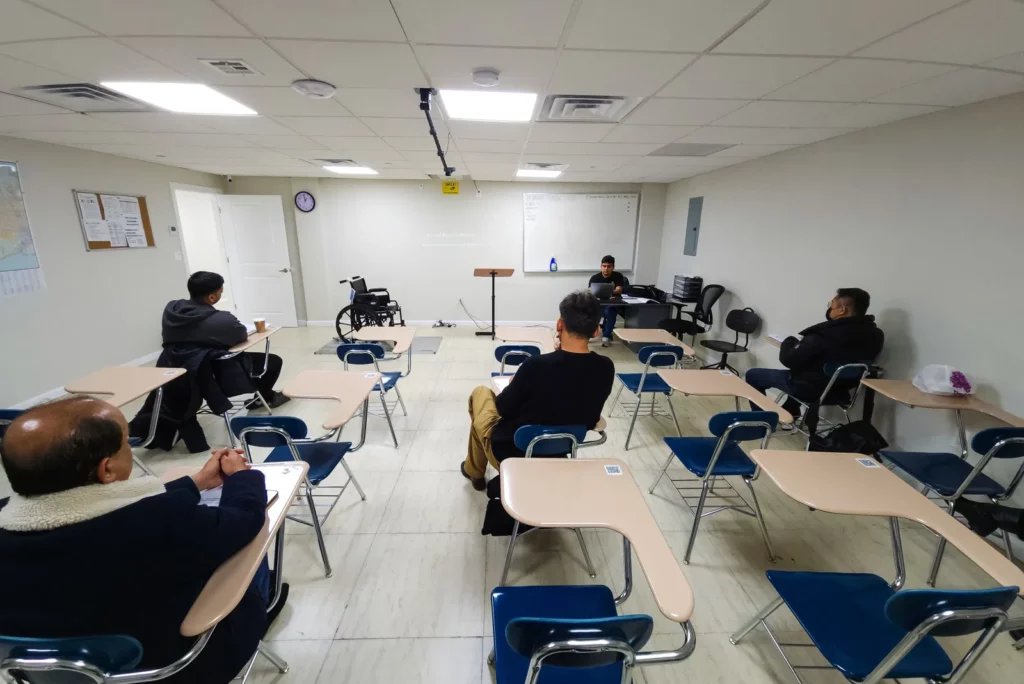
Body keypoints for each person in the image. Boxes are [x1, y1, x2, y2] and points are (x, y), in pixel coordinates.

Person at [0, 397, 283, 683]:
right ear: (107, 469)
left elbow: (96, 505)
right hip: (169, 666)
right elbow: (244, 519)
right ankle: (263, 603)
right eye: (126, 442)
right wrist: (240, 478)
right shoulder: (159, 522)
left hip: (45, 673)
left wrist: (196, 482)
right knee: (248, 546)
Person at [460, 290, 615, 490]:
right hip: (560, 451)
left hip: (512, 453)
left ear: (559, 324)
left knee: (480, 394)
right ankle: (474, 470)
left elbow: (502, 410)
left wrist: (517, 382)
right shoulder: (606, 367)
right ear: (596, 331)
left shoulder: (535, 365)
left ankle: (475, 472)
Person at [745, 288, 884, 429]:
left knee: (754, 375)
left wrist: (788, 343)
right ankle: (790, 413)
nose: (829, 307)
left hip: (811, 390)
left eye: (832, 303)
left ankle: (761, 423)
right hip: (841, 392)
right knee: (808, 372)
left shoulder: (823, 335)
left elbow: (790, 361)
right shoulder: (876, 335)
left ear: (842, 310)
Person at [163, 271, 289, 410]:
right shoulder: (221, 320)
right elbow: (240, 336)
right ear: (212, 297)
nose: (221, 294)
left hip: (178, 368)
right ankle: (264, 397)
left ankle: (266, 396)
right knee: (273, 361)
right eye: (220, 292)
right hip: (214, 369)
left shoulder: (172, 310)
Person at [588, 255, 627, 347]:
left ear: (613, 267)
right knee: (589, 310)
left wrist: (605, 291)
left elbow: (619, 290)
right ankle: (588, 333)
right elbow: (590, 291)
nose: (606, 269)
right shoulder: (595, 278)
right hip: (598, 304)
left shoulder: (618, 276)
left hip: (612, 304)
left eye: (609, 266)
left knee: (611, 311)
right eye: (604, 266)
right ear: (601, 266)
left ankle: (606, 337)